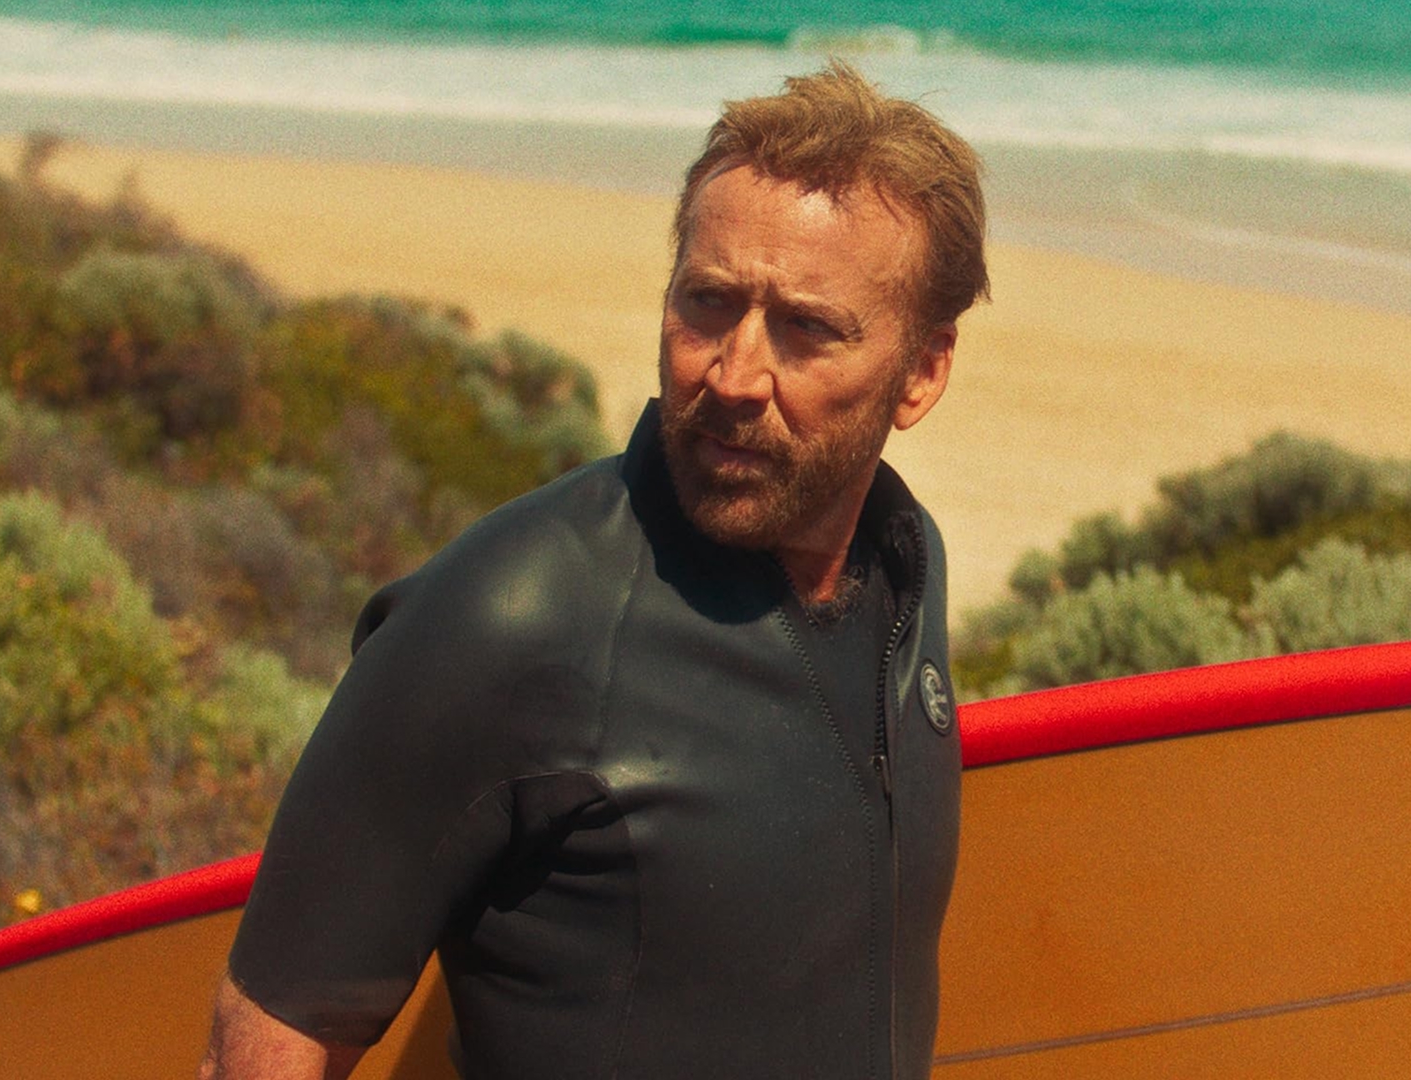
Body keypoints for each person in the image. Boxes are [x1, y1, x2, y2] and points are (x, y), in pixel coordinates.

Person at [199, 61, 988, 1080]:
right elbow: (266, 1042)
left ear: (922, 372)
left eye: (807, 328)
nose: (734, 375)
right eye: (707, 303)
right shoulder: (511, 614)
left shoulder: (906, 568)